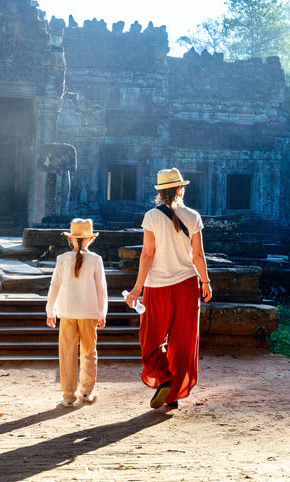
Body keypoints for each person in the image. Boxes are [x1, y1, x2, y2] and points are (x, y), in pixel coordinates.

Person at [124, 168, 213, 410]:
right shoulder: (193, 216)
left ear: (160, 193)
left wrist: (136, 289)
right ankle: (172, 394)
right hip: (186, 285)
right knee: (183, 342)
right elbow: (198, 255)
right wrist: (205, 281)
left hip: (158, 286)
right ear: (180, 189)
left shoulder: (151, 216)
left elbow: (147, 254)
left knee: (151, 340)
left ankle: (164, 378)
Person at [45, 218, 107, 407]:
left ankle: (68, 395)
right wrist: (102, 313)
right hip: (89, 312)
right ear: (90, 239)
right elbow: (101, 289)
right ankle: (87, 392)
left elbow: (54, 285)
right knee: (89, 352)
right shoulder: (96, 260)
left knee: (67, 354)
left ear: (71, 238)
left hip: (67, 311)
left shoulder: (62, 259)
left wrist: (50, 311)